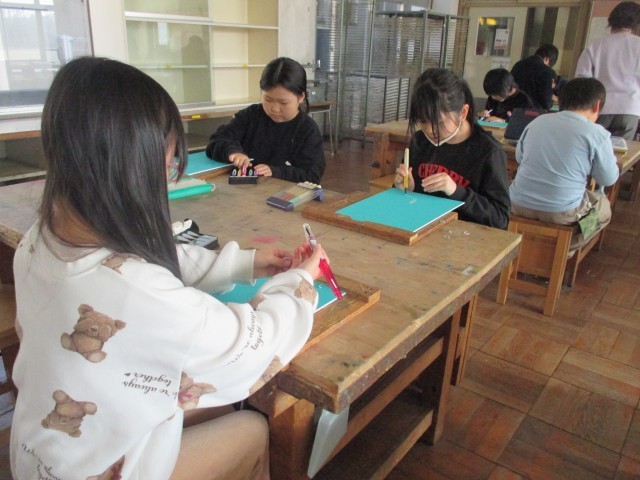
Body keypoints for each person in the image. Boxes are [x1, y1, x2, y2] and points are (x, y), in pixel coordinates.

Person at [10, 57, 329, 480]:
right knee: (252, 426)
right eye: (165, 165)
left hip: (41, 450)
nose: (168, 178)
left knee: (209, 406)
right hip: (98, 469)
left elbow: (143, 260)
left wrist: (246, 263)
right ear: (129, 168)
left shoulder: (40, 238)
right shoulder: (140, 294)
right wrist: (299, 282)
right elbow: (250, 349)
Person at [393, 68, 510, 229]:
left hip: (465, 237)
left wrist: (456, 191)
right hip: (423, 232)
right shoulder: (420, 141)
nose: (430, 130)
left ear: (463, 113)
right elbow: (407, 204)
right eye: (423, 121)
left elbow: (500, 219)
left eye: (439, 122)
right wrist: (406, 190)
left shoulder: (489, 152)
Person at [510, 77, 619, 250]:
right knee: (603, 208)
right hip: (560, 212)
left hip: (517, 204)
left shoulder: (537, 122)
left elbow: (519, 158)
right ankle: (563, 249)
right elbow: (608, 179)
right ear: (597, 105)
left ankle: (530, 247)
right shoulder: (596, 133)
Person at [206, 57, 325, 183]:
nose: (275, 109)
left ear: (301, 97)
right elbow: (218, 140)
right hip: (243, 189)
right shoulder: (250, 116)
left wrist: (276, 172)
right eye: (268, 99)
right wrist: (232, 152)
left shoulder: (307, 130)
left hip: (281, 191)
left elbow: (312, 175)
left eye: (283, 102)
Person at [575, 1, 640, 140]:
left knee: (595, 145)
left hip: (599, 108)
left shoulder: (595, 46)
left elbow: (581, 80)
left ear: (611, 21)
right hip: (629, 108)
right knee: (621, 150)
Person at [511, 44, 559, 110]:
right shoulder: (546, 71)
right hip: (533, 112)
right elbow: (546, 103)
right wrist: (551, 101)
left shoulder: (518, 65)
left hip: (514, 109)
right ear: (547, 59)